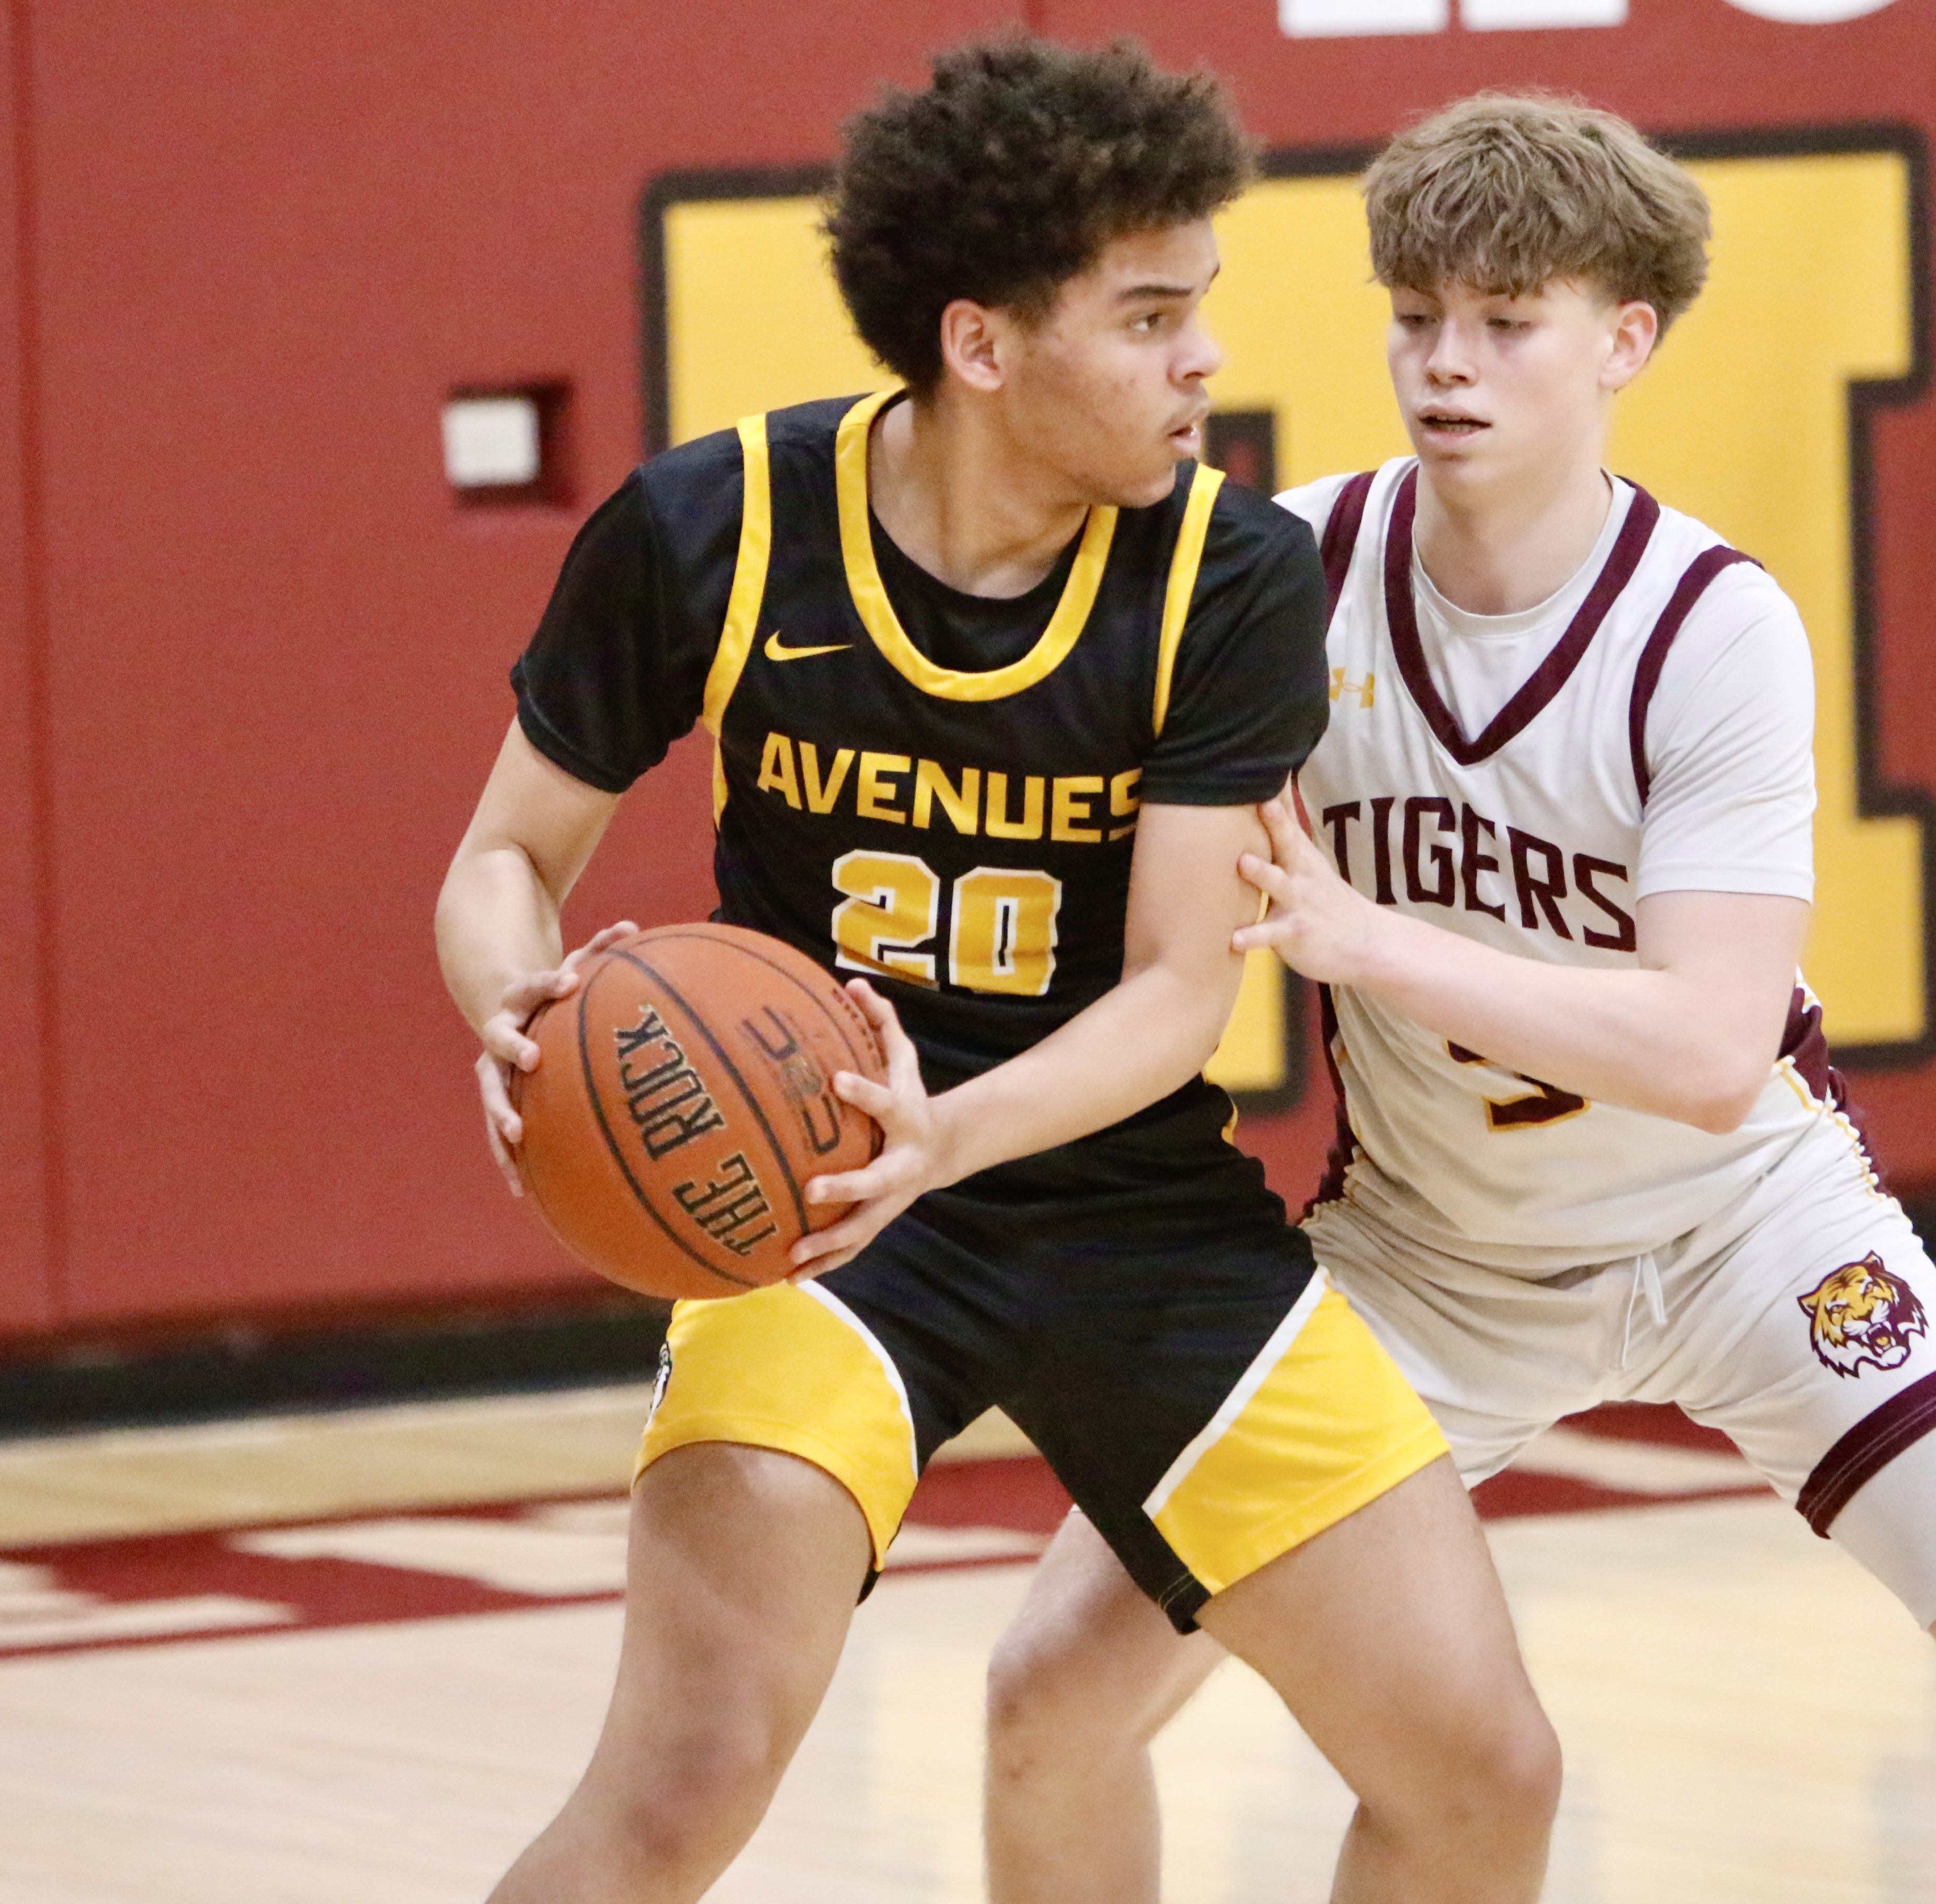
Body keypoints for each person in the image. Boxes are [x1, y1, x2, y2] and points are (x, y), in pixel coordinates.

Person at [982, 92, 1936, 1904]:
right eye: (1418, 317)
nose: (1446, 364)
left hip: (1752, 1240)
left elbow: (1714, 1054)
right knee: (1050, 1695)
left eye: (1508, 322)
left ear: (1624, 341)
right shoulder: (1284, 580)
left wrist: (1372, 941)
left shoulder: (1714, 629)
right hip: (1429, 1266)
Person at [435, 40, 1560, 1904]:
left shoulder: (1228, 576)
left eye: (1200, 308)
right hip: (811, 1214)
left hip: (1125, 1208)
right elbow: (504, 861)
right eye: (1150, 318)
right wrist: (516, 1003)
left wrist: (942, 1136)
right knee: (685, 1779)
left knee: (1483, 1771)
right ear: (980, 344)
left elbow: (1180, 994)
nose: (1204, 360)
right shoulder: (716, 527)